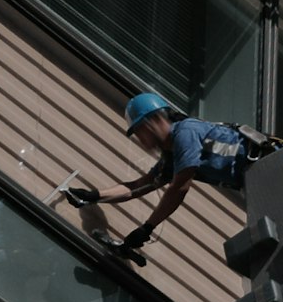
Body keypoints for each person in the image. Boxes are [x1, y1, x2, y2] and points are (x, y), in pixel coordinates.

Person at [66, 91, 270, 264]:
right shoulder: (171, 157)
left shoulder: (186, 133)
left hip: (275, 166)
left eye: (139, 131)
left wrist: (147, 228)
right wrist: (93, 196)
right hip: (264, 182)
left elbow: (180, 187)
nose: (139, 139)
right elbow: (138, 186)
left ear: (154, 121)